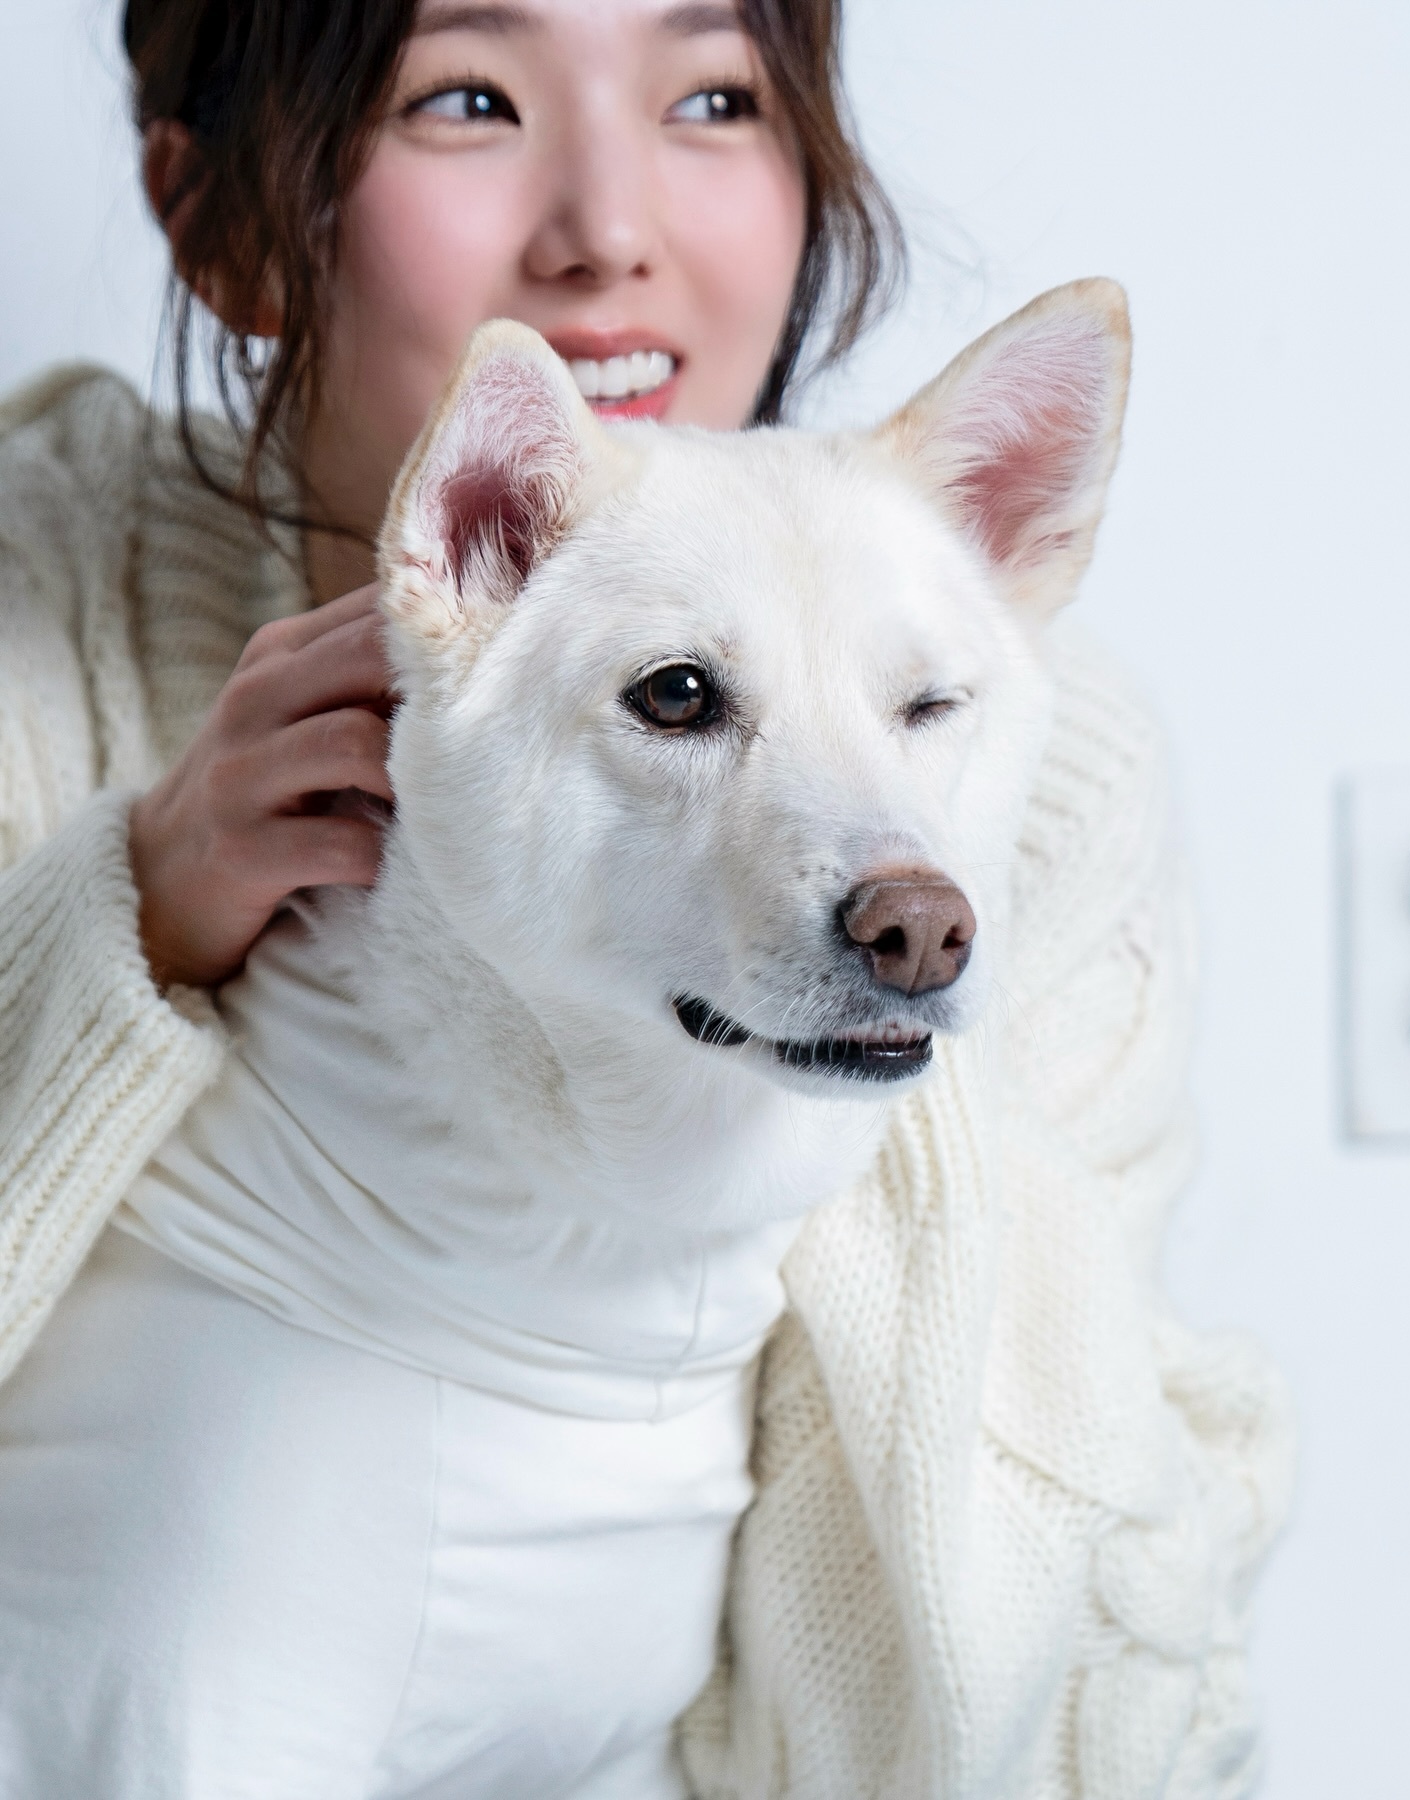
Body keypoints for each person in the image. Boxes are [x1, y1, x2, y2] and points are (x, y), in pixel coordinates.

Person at [0, 1, 1292, 1795]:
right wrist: (123, 915)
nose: (612, 224)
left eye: (711, 94)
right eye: (468, 95)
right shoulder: (29, 611)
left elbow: (1099, 1605)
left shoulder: (1033, 742)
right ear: (217, 211)